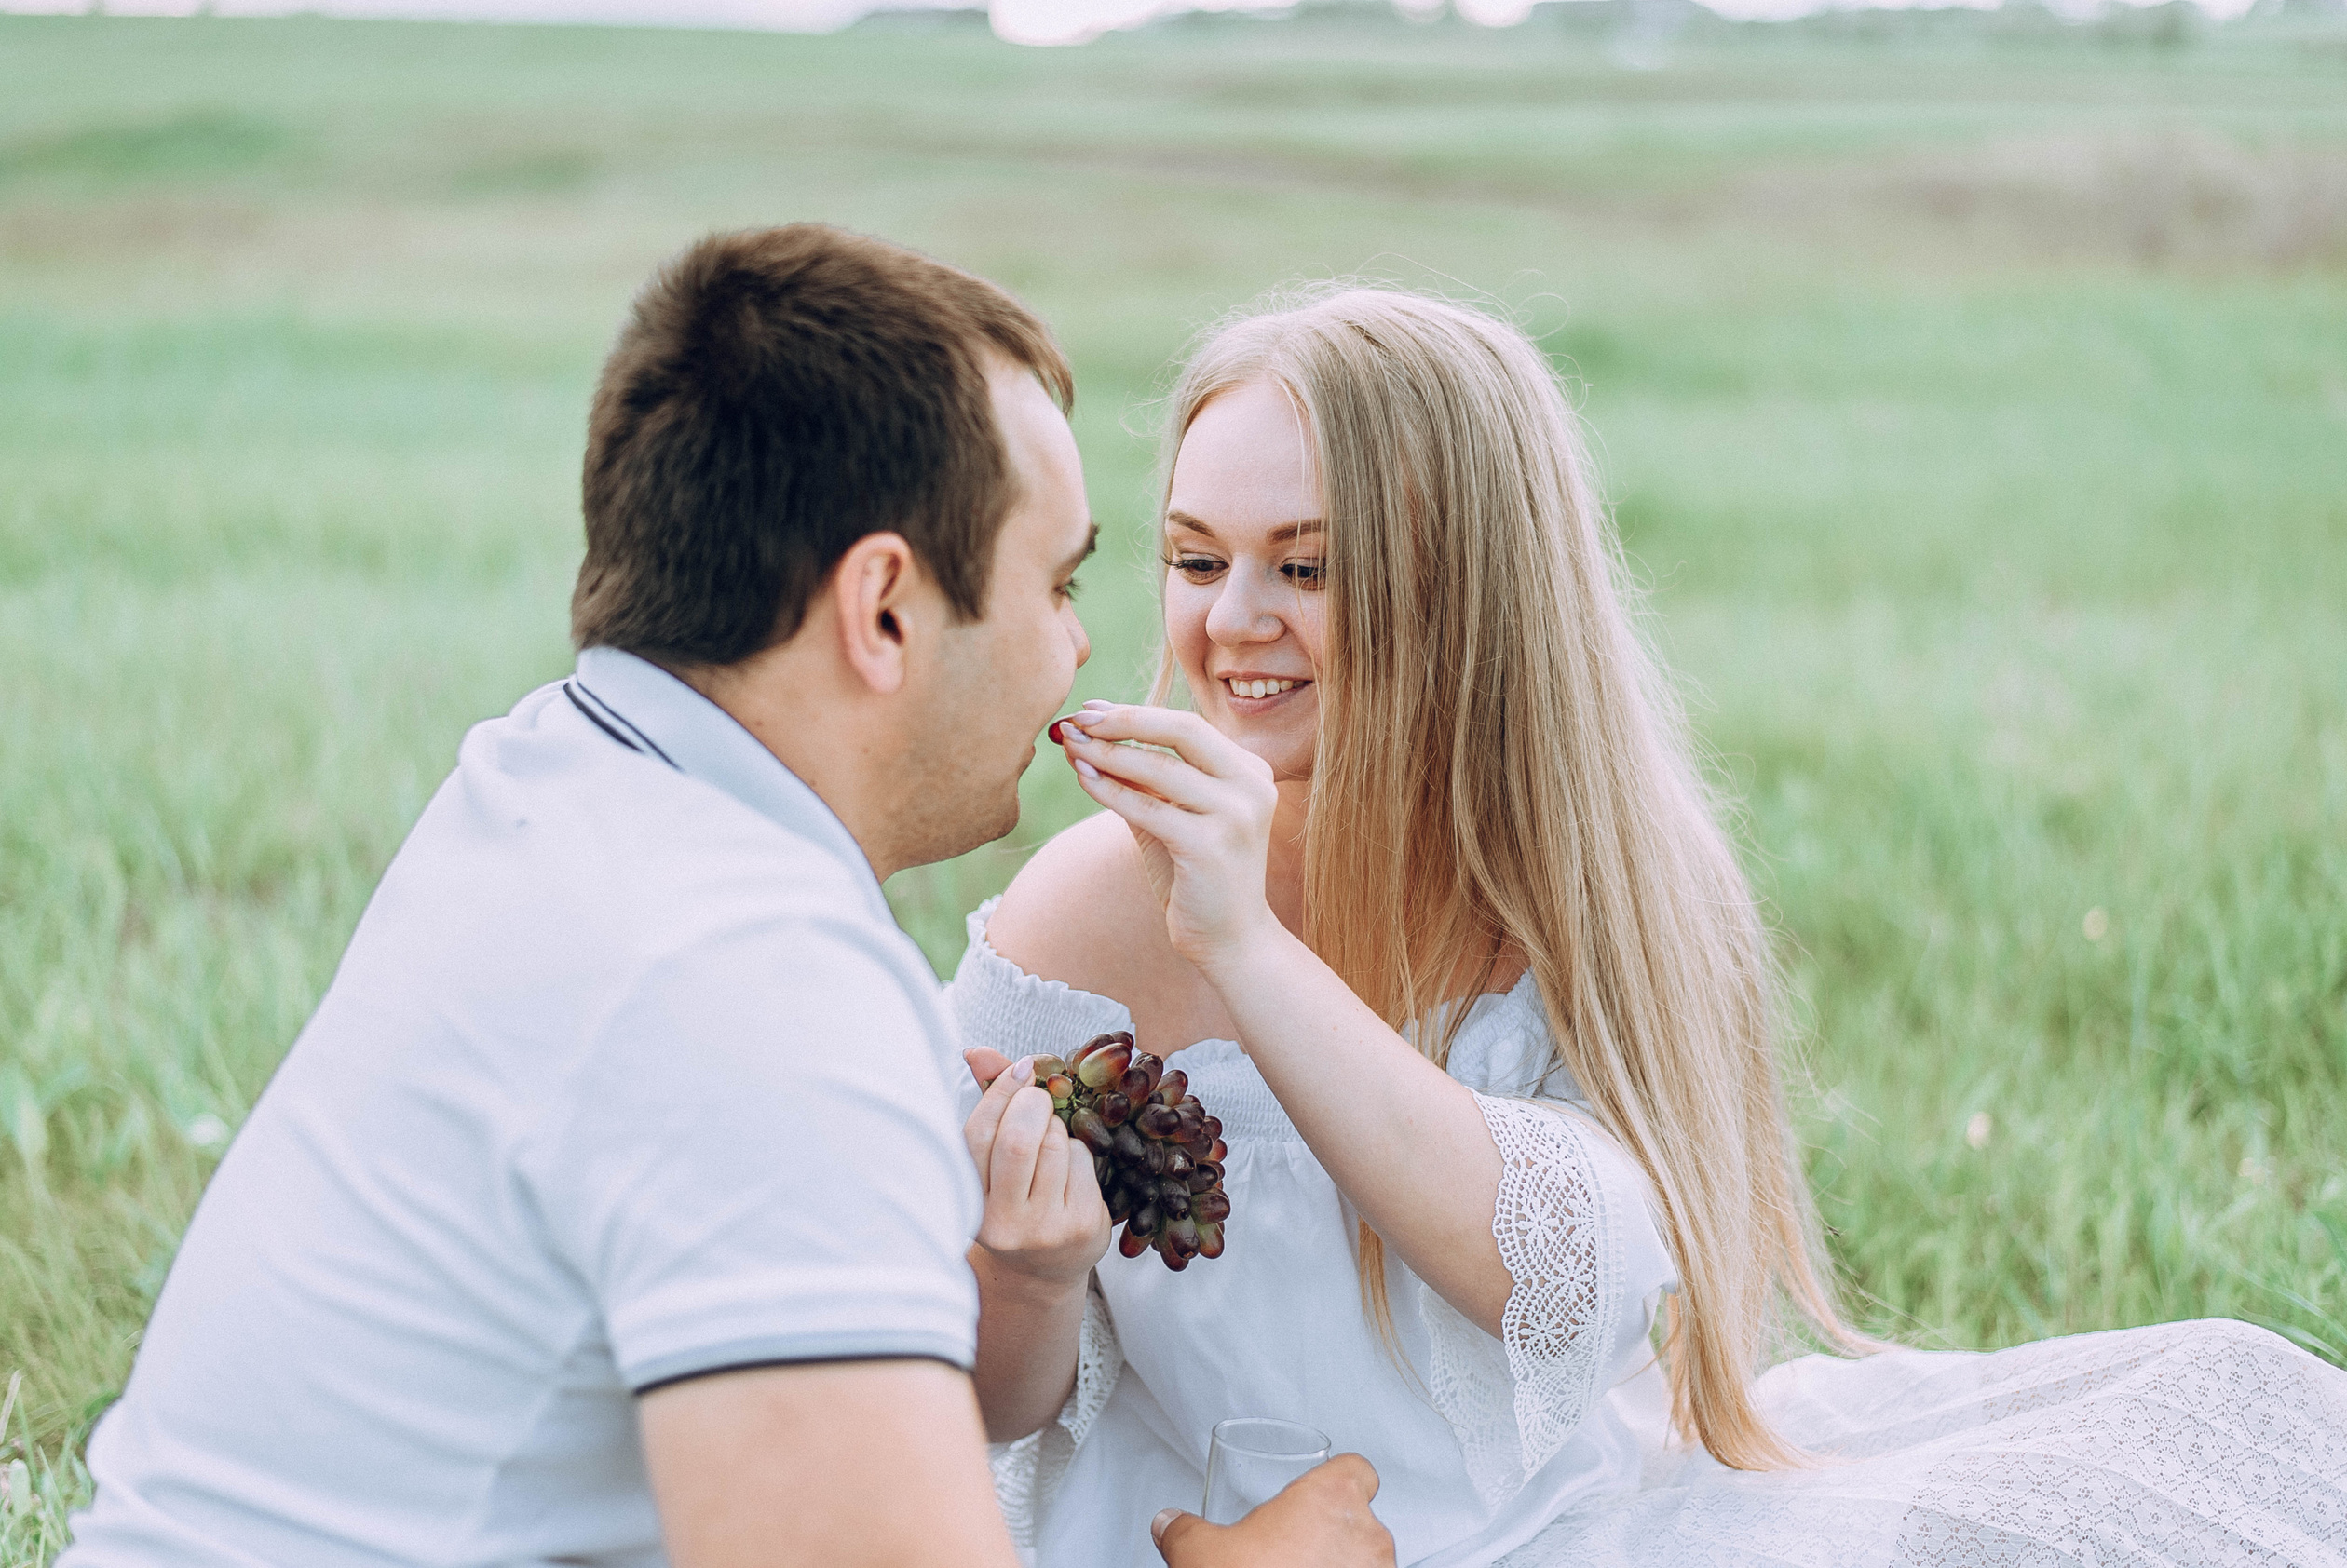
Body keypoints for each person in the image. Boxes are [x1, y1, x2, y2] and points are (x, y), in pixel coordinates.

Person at [948, 285, 2347, 1567]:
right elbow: (983, 1399)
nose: (1232, 622)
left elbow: (1559, 1283)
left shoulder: (1592, 892)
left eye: (1308, 568)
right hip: (1185, 1542)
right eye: (1198, 561)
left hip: (1570, 1523)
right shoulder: (1078, 912)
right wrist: (1030, 1270)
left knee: (2186, 1439)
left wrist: (1249, 951)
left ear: (1467, 589)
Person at [60, 226, 1393, 1568]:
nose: (1083, 644)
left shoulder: (553, 783)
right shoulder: (749, 981)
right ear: (884, 608)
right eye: (1053, 583)